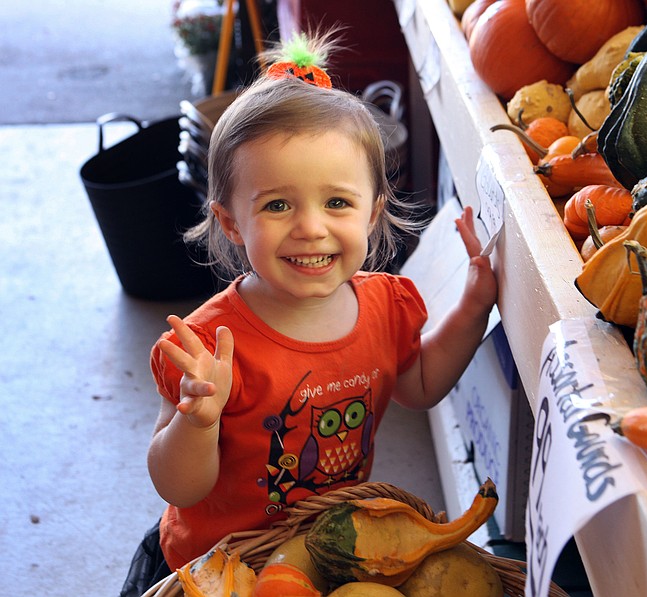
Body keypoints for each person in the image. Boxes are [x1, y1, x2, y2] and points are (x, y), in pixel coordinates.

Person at [120, 32, 497, 596]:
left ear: (373, 213)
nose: (311, 227)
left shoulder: (383, 306)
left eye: (337, 202)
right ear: (229, 223)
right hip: (216, 572)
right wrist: (198, 420)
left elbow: (418, 384)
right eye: (277, 205)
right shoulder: (209, 346)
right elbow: (179, 486)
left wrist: (475, 304)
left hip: (320, 561)